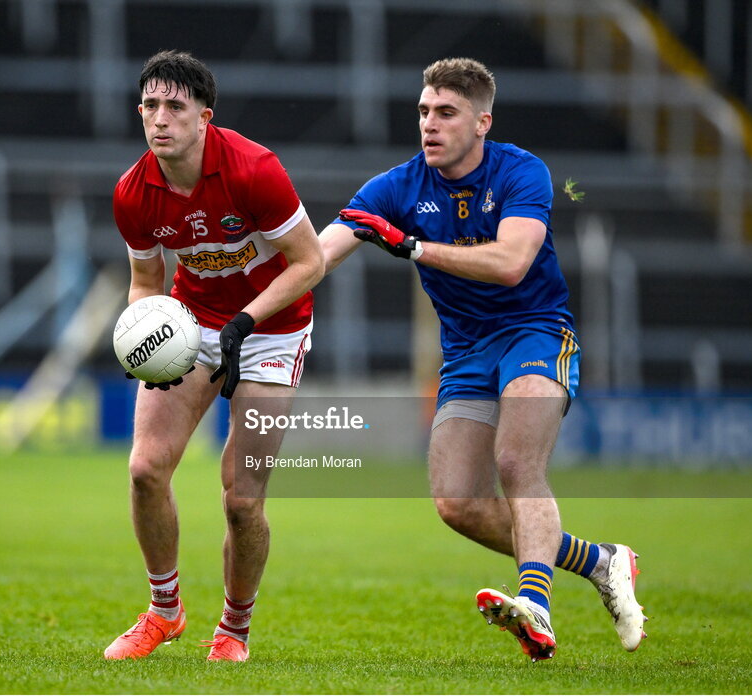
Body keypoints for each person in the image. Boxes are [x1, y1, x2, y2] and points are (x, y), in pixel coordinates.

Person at [319, 57, 646, 661]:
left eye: (446, 113)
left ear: (482, 122)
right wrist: (245, 311)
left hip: (536, 331)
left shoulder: (524, 172)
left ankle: (537, 608)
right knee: (457, 503)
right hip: (466, 350)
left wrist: (414, 246)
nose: (430, 125)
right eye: (423, 112)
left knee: (517, 461)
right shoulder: (395, 187)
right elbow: (318, 257)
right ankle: (602, 561)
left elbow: (511, 262)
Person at [104, 50, 324, 663]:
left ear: (205, 115)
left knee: (241, 498)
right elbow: (147, 280)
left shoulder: (254, 170)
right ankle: (164, 612)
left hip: (274, 329)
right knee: (146, 468)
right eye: (150, 105)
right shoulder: (132, 192)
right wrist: (141, 332)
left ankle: (234, 629)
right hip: (193, 325)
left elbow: (311, 262)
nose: (160, 119)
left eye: (175, 106)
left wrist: (248, 320)